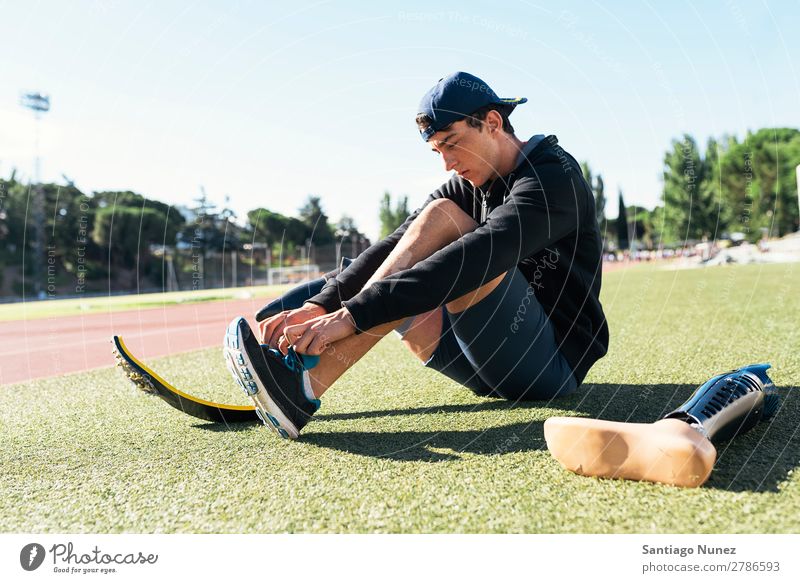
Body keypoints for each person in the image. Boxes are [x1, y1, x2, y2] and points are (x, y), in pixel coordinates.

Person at [222, 71, 610, 440]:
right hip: (479, 361)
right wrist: (323, 306)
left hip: (547, 366)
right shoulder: (470, 183)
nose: (447, 162)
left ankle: (304, 386)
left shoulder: (553, 178)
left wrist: (354, 314)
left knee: (450, 240)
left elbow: (475, 259)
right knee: (417, 238)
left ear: (492, 122)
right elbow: (398, 245)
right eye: (437, 150)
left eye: (453, 143)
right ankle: (276, 372)